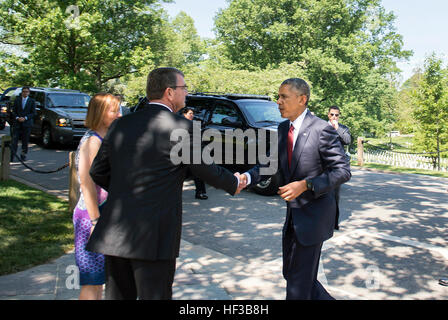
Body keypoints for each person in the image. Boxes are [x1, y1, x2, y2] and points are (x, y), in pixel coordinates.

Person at [86, 67, 246, 300]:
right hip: (154, 234)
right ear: (169, 92)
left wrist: (127, 191)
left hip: (115, 231)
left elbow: (98, 171)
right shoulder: (182, 128)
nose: (187, 93)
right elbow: (204, 169)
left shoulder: (121, 125)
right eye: (184, 88)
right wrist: (234, 182)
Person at [241, 78, 351, 300]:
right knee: (293, 275)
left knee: (298, 286)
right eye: (278, 97)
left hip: (315, 217)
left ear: (302, 99)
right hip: (293, 217)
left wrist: (306, 184)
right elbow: (270, 163)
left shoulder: (322, 130)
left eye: (284, 97)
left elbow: (342, 171)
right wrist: (246, 177)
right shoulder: (283, 128)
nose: (278, 102)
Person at [73, 93, 122, 300]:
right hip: (90, 217)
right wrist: (95, 220)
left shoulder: (105, 138)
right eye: (114, 110)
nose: (120, 114)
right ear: (101, 113)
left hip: (103, 214)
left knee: (99, 281)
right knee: (92, 281)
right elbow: (86, 182)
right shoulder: (93, 141)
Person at [327, 105, 352, 230]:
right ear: (328, 115)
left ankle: (333, 223)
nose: (334, 117)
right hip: (322, 165)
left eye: (336, 115)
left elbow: (347, 140)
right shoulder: (321, 126)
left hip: (336, 166)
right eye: (332, 114)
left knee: (334, 196)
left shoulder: (343, 129)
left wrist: (337, 128)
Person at [182, 107, 208, 200]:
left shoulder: (194, 124)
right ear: (184, 114)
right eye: (190, 113)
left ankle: (200, 192)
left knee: (199, 172)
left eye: (193, 113)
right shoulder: (181, 124)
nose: (192, 115)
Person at [10, 86, 36, 161]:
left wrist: (25, 118)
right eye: (24, 91)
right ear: (21, 92)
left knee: (25, 141)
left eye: (26, 92)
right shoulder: (17, 100)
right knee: (14, 141)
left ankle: (23, 155)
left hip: (27, 124)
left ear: (29, 93)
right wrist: (17, 117)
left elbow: (33, 113)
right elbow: (13, 111)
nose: (25, 93)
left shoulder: (32, 101)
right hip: (17, 123)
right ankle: (12, 156)